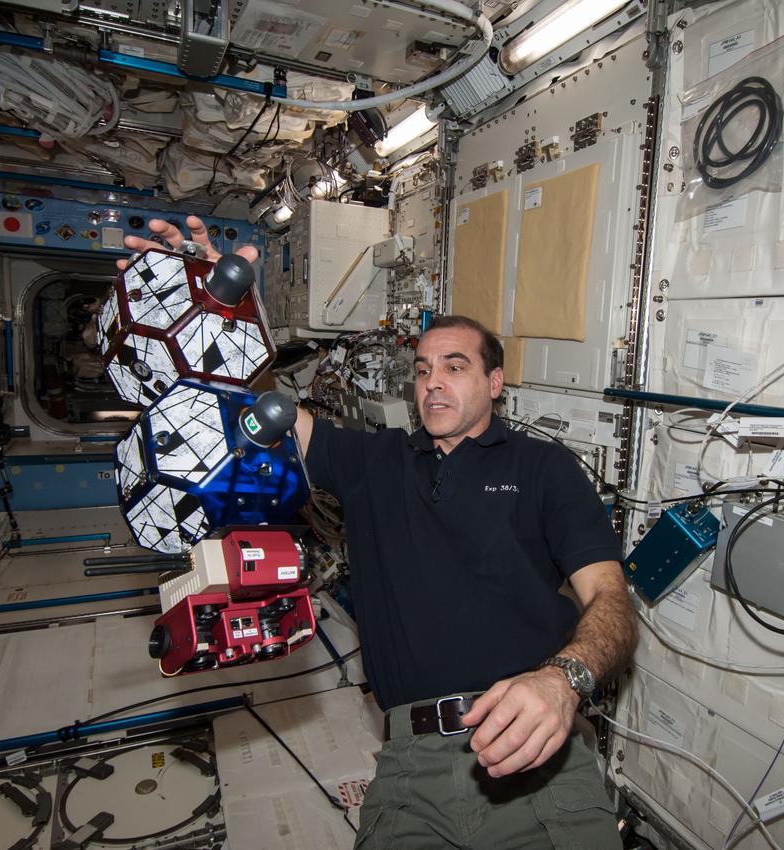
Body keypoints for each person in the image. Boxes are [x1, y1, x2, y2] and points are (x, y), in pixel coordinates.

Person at [121, 217, 637, 849]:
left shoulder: (543, 468)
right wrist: (202, 304)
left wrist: (564, 681)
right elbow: (256, 404)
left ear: (495, 384)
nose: (433, 383)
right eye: (422, 370)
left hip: (537, 757)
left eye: (454, 366)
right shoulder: (373, 461)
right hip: (409, 769)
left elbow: (611, 602)